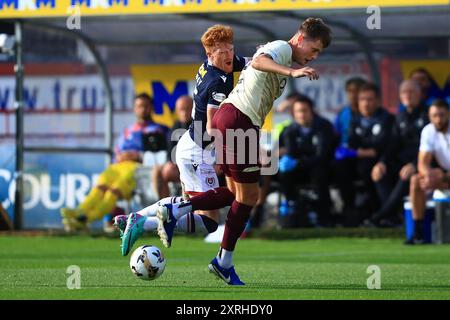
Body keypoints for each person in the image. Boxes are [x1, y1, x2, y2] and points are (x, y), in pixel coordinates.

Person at [155, 17, 332, 285]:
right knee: (250, 195)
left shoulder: (280, 52)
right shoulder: (283, 48)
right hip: (239, 120)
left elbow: (255, 61)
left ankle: (187, 220)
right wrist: (292, 73)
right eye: (314, 49)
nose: (313, 56)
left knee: (237, 194)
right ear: (301, 38)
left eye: (318, 53)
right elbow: (261, 61)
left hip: (234, 119)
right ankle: (212, 249)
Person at [118, 25, 250, 256]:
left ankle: (136, 218)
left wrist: (264, 56)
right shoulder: (217, 82)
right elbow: (211, 125)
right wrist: (224, 154)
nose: (229, 55)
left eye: (230, 49)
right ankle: (144, 222)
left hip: (192, 146)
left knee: (190, 203)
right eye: (223, 51)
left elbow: (244, 61)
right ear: (210, 54)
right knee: (211, 216)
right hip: (199, 151)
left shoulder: (215, 64)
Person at [60, 93, 169, 231]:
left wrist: (138, 156)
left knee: (113, 191)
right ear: (134, 109)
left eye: (145, 106)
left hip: (139, 169)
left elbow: (163, 155)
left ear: (151, 108)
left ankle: (86, 219)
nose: (142, 109)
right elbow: (117, 152)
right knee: (100, 186)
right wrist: (119, 157)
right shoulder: (127, 131)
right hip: (117, 167)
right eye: (139, 106)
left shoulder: (160, 129)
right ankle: (80, 211)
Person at [334, 82, 394, 226]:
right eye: (362, 99)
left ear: (378, 101)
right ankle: (349, 210)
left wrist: (359, 151)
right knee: (339, 166)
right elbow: (351, 144)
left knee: (366, 167)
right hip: (360, 161)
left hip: (382, 162)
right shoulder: (355, 119)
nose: (365, 103)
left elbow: (378, 149)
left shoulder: (386, 119)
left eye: (369, 99)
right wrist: (361, 151)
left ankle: (378, 213)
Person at [370, 80, 429, 226]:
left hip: (421, 162)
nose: (407, 95)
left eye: (411, 92)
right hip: (401, 161)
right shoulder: (399, 117)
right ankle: (393, 216)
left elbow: (430, 147)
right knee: (379, 174)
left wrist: (415, 164)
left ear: (419, 94)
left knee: (405, 177)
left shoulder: (428, 114)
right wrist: (382, 162)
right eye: (404, 92)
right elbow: (393, 145)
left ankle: (380, 216)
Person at [277, 94, 337, 227]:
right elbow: (290, 153)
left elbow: (322, 156)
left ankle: (323, 218)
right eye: (298, 111)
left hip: (322, 169)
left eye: (304, 110)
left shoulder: (324, 127)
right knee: (284, 173)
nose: (301, 114)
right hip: (300, 170)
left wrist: (298, 162)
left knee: (319, 173)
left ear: (311, 111)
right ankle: (292, 209)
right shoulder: (289, 130)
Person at [407, 99, 450, 244]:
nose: (438, 120)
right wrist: (428, 176)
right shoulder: (428, 130)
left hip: (446, 175)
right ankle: (418, 232)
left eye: (441, 115)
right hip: (444, 176)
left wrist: (443, 176)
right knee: (416, 181)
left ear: (448, 114)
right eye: (434, 116)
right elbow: (422, 162)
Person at [154, 95, 193, 198]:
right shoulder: (175, 126)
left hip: (196, 165)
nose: (184, 112)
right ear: (177, 111)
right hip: (178, 165)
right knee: (159, 171)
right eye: (181, 109)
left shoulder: (200, 124)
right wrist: (171, 161)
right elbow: (170, 149)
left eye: (188, 108)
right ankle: (164, 204)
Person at [334, 77, 366, 147]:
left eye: (356, 91)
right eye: (350, 91)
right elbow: (335, 136)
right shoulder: (342, 113)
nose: (353, 95)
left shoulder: (371, 114)